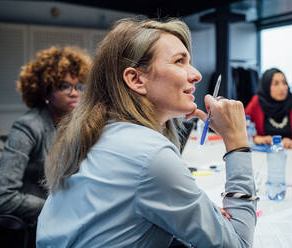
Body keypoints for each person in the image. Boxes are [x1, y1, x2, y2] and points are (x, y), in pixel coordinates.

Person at [37, 18, 257, 247]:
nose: (196, 74)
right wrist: (237, 141)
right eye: (179, 61)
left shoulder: (95, 132)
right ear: (136, 79)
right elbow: (238, 243)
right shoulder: (149, 155)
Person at [0, 46, 91, 225]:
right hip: (24, 230)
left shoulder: (75, 124)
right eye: (64, 86)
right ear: (45, 91)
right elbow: (1, 198)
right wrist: (60, 208)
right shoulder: (29, 126)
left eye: (79, 86)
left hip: (58, 223)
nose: (74, 93)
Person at [245, 68, 292, 148]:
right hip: (262, 155)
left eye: (284, 83)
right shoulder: (257, 103)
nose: (282, 88)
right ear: (266, 86)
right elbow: (240, 130)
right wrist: (256, 139)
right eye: (276, 84)